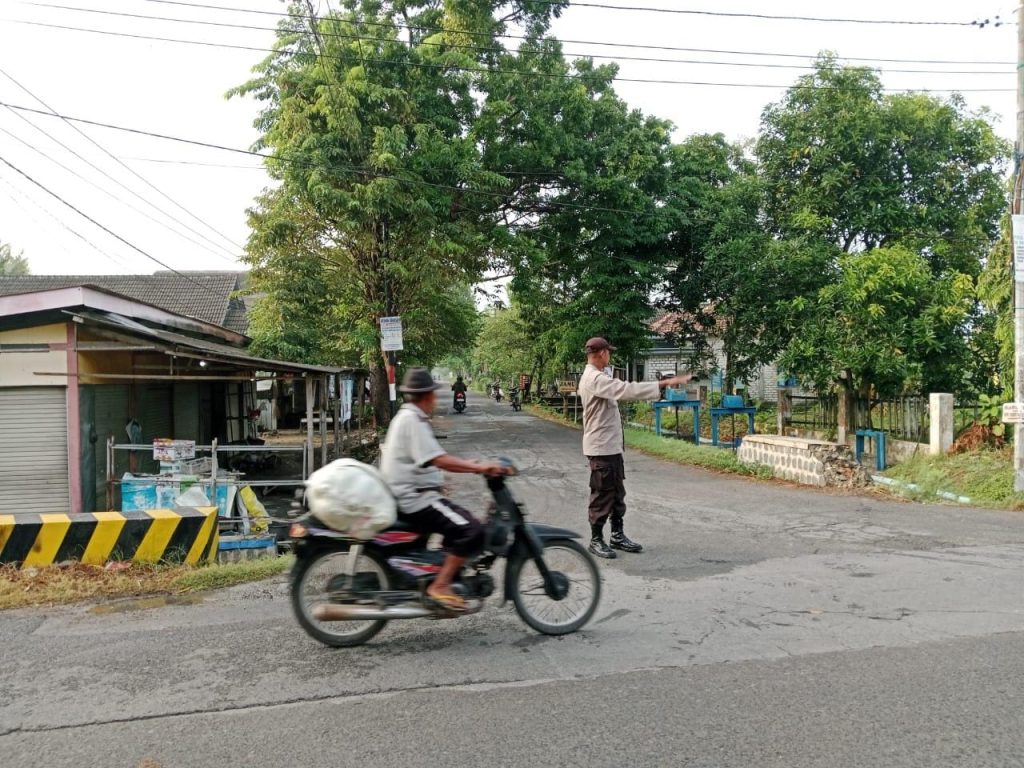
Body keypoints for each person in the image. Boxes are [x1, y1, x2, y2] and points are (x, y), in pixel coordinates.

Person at [380, 367, 508, 612]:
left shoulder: (407, 417)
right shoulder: (412, 420)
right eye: (433, 395)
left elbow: (422, 460)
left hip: (412, 495)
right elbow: (439, 459)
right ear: (427, 395)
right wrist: (478, 467)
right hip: (415, 500)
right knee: (472, 530)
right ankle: (440, 585)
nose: (435, 400)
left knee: (456, 524)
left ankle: (440, 571)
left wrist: (437, 482)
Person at [577, 337, 692, 559]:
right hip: (601, 447)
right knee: (602, 494)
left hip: (610, 447)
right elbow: (626, 390)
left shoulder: (600, 376)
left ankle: (617, 535)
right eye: (608, 352)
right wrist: (662, 384)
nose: (610, 356)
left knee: (617, 493)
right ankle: (596, 539)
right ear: (601, 353)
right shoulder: (593, 378)